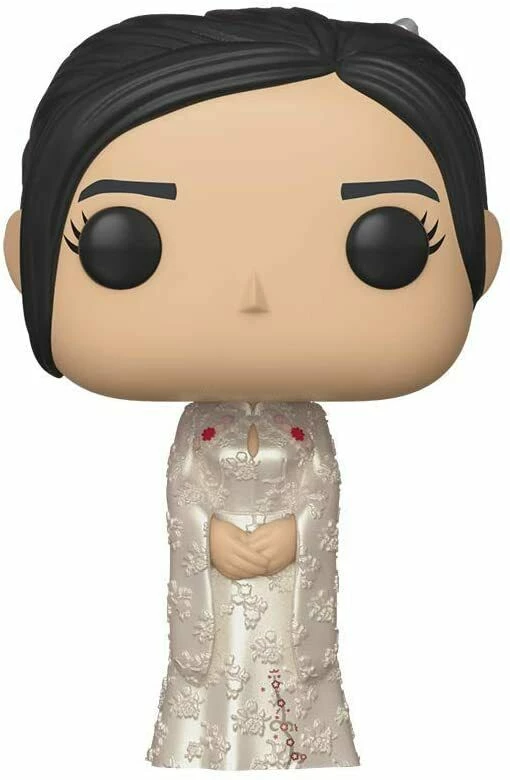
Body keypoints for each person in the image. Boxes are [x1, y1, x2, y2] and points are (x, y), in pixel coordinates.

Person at [3, 6, 501, 771]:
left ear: (484, 258)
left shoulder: (309, 428)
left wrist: (296, 535)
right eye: (123, 243)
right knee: (220, 664)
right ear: (22, 256)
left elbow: (324, 488)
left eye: (387, 244)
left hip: (289, 580)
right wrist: (207, 536)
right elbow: (180, 490)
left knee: (287, 670)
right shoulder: (196, 430)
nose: (254, 295)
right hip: (217, 577)